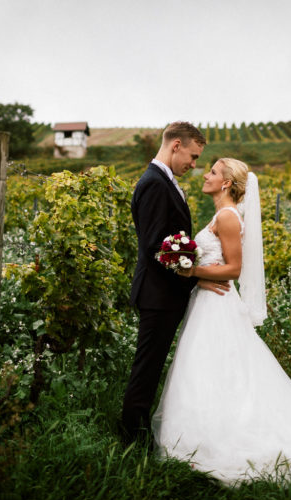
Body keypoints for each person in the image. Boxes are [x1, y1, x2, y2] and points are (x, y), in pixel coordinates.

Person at [152, 157, 291, 485]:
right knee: (209, 369)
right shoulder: (221, 214)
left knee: (217, 367)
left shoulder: (228, 217)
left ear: (226, 182)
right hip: (207, 300)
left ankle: (217, 438)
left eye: (213, 172)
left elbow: (233, 269)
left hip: (218, 304)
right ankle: (202, 433)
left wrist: (191, 270)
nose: (206, 175)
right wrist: (192, 271)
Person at [122, 121, 229, 444]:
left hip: (164, 293)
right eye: (193, 157)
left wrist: (195, 275)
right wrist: (194, 276)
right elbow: (157, 245)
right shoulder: (155, 183)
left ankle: (137, 433)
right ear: (176, 145)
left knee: (151, 367)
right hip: (158, 295)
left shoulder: (163, 180)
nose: (194, 165)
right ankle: (132, 438)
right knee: (147, 369)